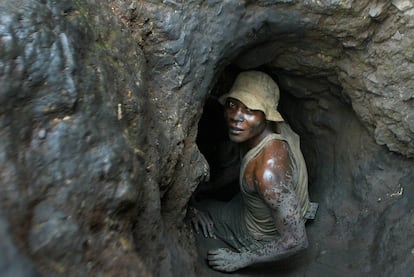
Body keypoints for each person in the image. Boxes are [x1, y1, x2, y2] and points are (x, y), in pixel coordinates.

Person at [191, 70, 315, 272]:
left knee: (200, 208)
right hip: (272, 207)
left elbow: (296, 240)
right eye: (232, 104)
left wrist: (241, 259)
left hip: (264, 236)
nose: (235, 117)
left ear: (266, 115)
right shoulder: (269, 131)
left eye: (250, 109)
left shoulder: (268, 173)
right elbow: (243, 170)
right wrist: (210, 186)